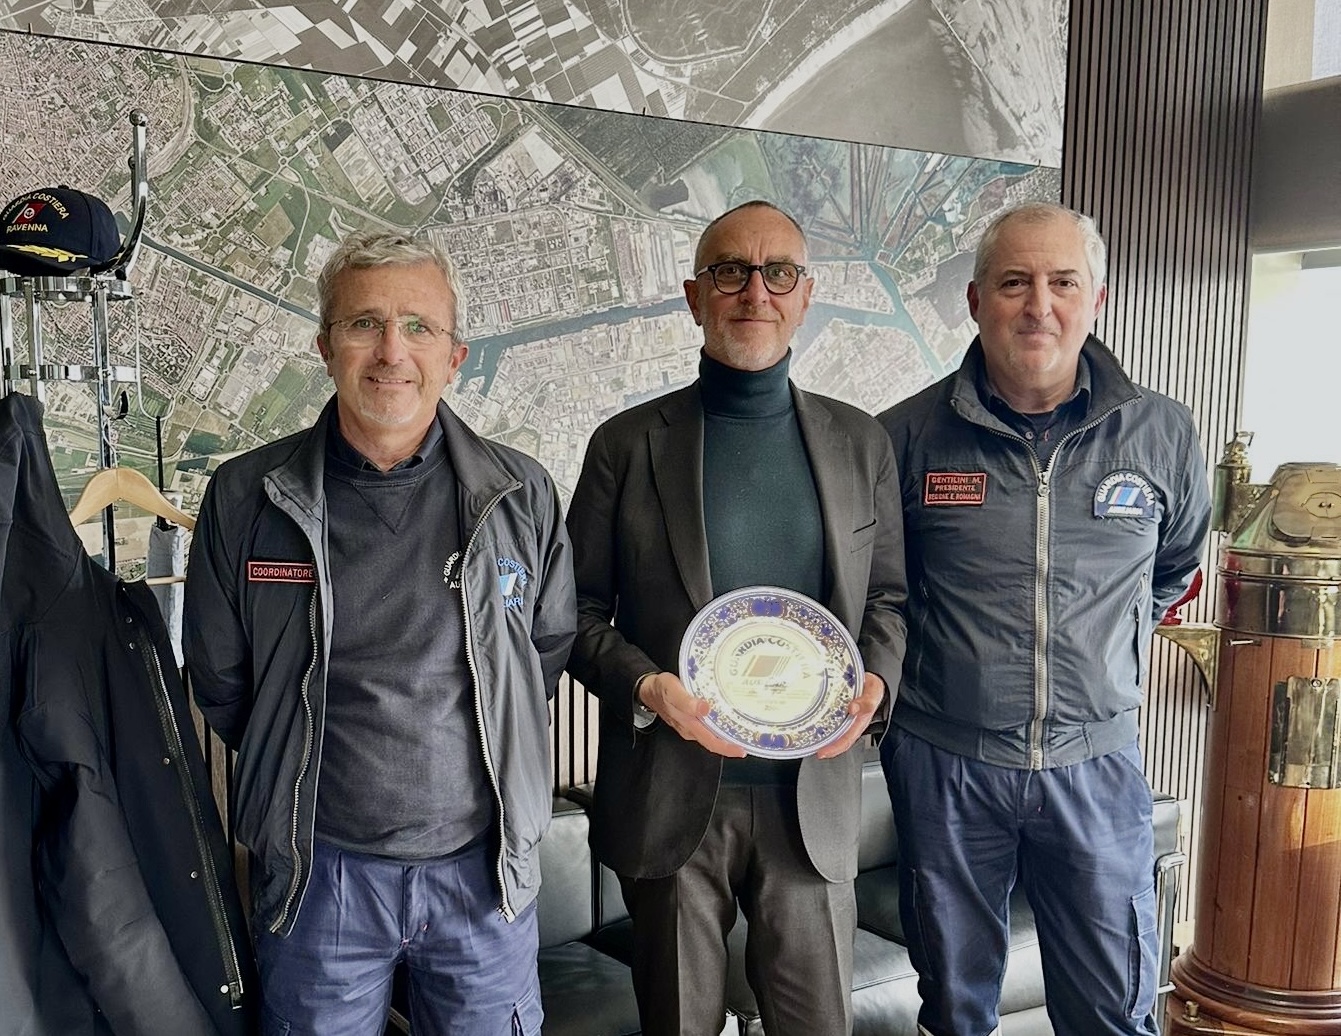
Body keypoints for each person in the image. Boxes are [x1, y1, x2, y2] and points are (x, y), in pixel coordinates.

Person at [183, 230, 576, 1036]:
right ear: (325, 347)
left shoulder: (522, 493)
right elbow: (221, 680)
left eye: (417, 326)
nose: (391, 350)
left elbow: (541, 652)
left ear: (454, 356)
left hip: (483, 876)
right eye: (364, 323)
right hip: (317, 877)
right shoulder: (247, 496)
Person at [566, 199, 908, 1036]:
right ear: (694, 296)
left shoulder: (861, 443)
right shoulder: (624, 445)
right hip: (671, 799)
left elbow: (888, 600)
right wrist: (647, 687)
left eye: (777, 272)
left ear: (805, 295)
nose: (755, 291)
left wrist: (874, 682)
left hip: (813, 801)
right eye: (730, 271)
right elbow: (573, 613)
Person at [877, 202, 1211, 1036]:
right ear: (974, 300)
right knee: (954, 1008)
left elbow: (1172, 568)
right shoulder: (903, 437)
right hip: (946, 764)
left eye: (1062, 282)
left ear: (1095, 299)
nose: (1038, 306)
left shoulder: (1162, 433)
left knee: (1111, 1010)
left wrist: (1102, 650)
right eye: (1013, 283)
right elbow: (883, 593)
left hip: (1095, 766)